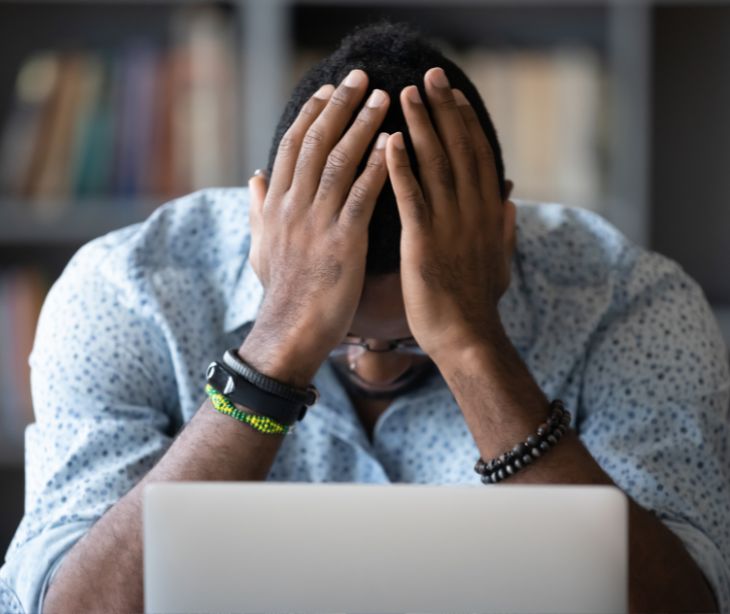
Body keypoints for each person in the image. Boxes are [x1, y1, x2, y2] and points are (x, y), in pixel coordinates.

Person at [1, 21, 728, 614]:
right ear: (263, 222)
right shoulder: (124, 292)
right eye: (342, 339)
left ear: (500, 234)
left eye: (413, 339)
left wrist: (474, 348)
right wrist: (277, 348)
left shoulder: (630, 304)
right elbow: (72, 608)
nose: (375, 365)